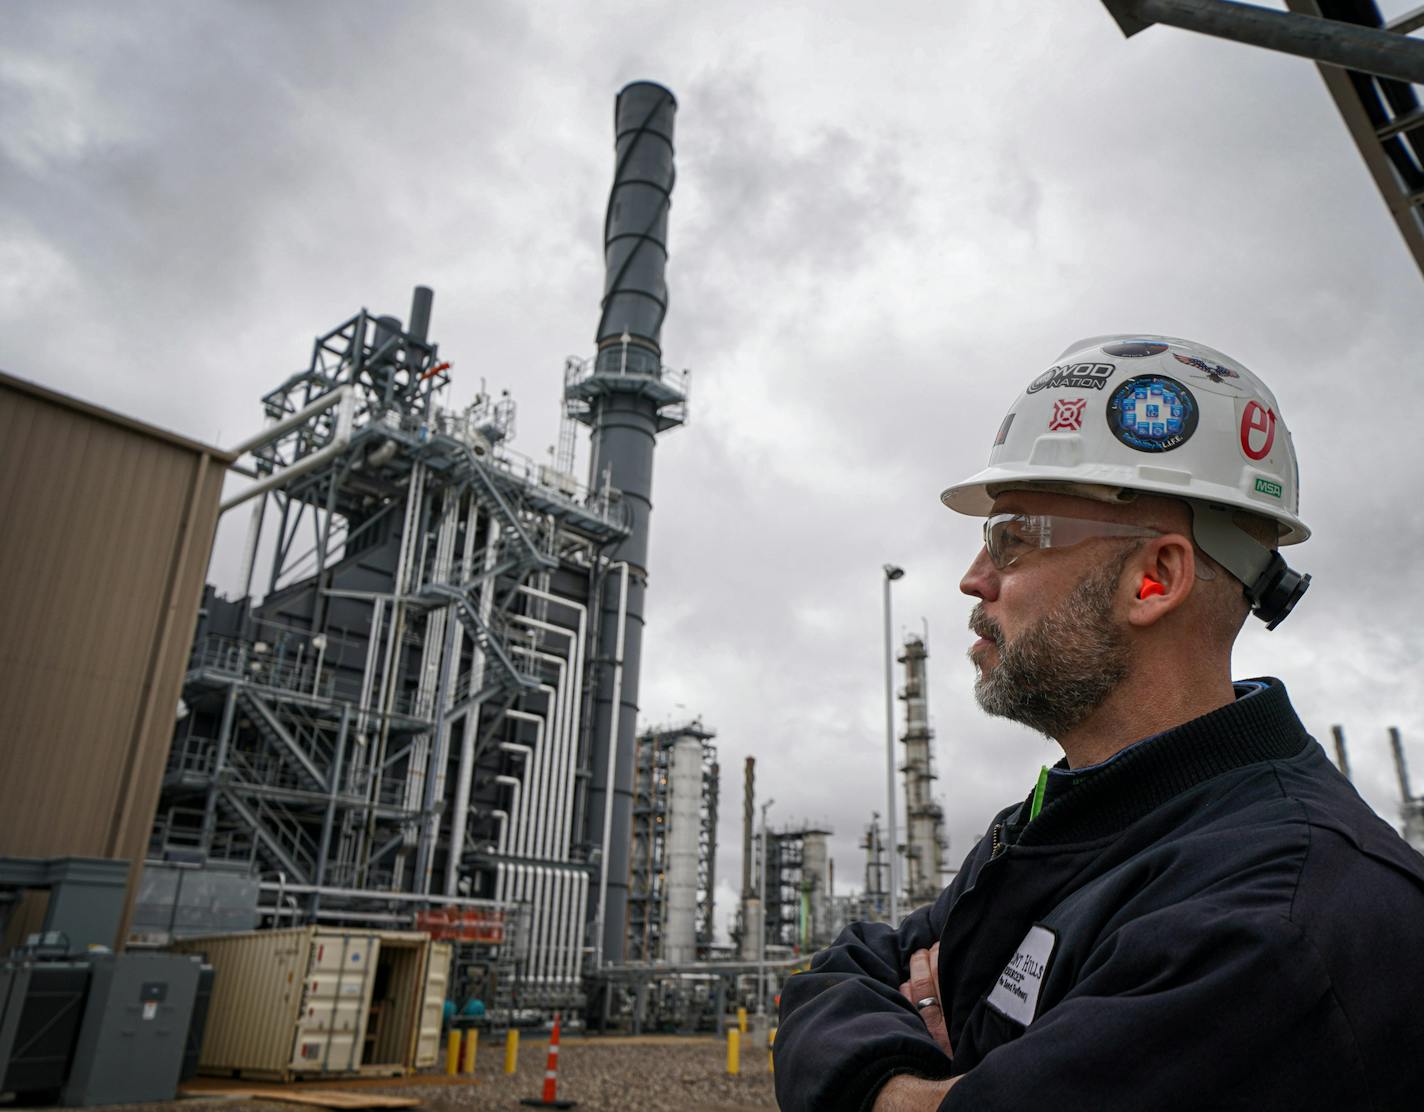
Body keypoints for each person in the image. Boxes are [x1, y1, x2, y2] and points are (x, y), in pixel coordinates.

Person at [773, 335, 1424, 1111]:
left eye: (1013, 540)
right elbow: (839, 976)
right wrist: (930, 1084)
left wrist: (888, 1087)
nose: (973, 579)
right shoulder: (1071, 819)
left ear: (1155, 578)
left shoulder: (1276, 916)